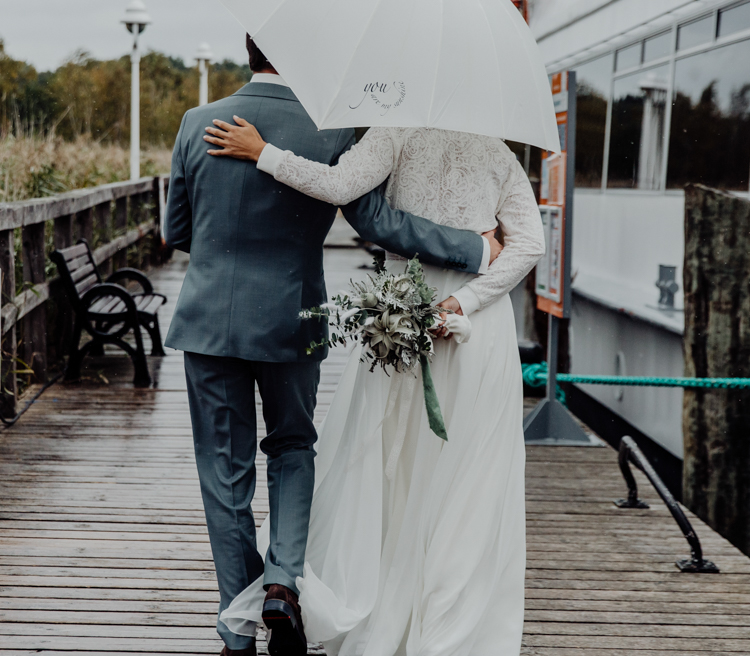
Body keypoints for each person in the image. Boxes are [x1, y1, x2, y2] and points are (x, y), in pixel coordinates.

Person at [163, 35, 501, 656]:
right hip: (294, 315)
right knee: (293, 446)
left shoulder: (197, 122)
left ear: (247, 51)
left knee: (223, 472)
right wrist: (475, 247)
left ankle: (237, 629)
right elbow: (378, 223)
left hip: (208, 320)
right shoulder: (335, 131)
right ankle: (283, 585)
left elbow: (175, 229)